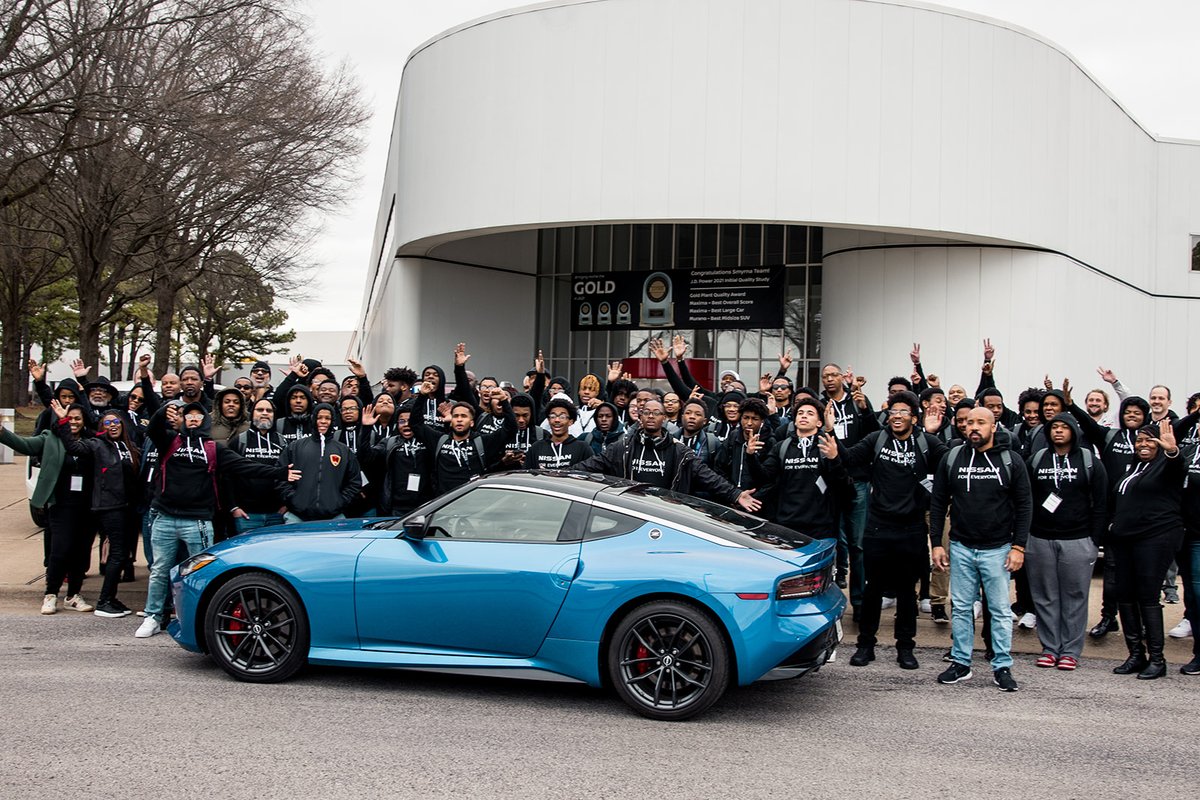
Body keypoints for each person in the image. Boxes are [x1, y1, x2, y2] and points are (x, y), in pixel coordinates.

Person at [135, 401, 294, 638]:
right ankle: (153, 616)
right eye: (189, 415)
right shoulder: (170, 440)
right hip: (165, 517)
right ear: (182, 419)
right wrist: (162, 411)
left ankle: (194, 617)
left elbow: (245, 466)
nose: (193, 419)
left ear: (206, 421)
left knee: (198, 572)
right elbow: (153, 429)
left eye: (199, 416)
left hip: (197, 520)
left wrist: (280, 473)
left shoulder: (213, 448)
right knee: (160, 570)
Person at [829, 390, 945, 668]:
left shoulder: (925, 442)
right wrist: (833, 436)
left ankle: (905, 647)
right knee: (873, 590)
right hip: (878, 528)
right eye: (893, 411)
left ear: (914, 418)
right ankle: (865, 645)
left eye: (903, 412)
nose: (897, 416)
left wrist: (933, 434)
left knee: (907, 592)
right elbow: (850, 458)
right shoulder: (876, 439)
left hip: (912, 530)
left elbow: (950, 461)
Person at [930, 408, 1032, 692]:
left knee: (999, 611)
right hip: (961, 547)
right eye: (968, 422)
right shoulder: (952, 458)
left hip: (998, 549)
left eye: (980, 422)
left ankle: (1002, 666)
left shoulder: (1011, 460)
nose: (973, 427)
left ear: (993, 426)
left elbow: (1025, 506)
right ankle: (961, 663)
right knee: (961, 608)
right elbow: (938, 502)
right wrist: (937, 542)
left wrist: (1018, 547)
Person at [1024, 414, 1107, 671]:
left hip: (1078, 539)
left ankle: (1070, 651)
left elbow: (1102, 503)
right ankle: (1050, 648)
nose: (1058, 431)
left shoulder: (1089, 461)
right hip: (1040, 538)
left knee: (1075, 596)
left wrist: (1095, 539)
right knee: (1045, 596)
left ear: (1074, 431)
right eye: (1054, 428)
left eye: (1064, 427)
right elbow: (1025, 499)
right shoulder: (1037, 460)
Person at [577, 398, 762, 512]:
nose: (651, 416)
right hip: (629, 513)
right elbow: (590, 465)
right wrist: (552, 474)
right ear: (639, 417)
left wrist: (735, 495)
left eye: (656, 413)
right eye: (646, 412)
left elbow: (708, 476)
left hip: (665, 515)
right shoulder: (622, 447)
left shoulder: (679, 451)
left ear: (664, 418)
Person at [1107, 421, 1186, 679]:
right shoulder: (1133, 468)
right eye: (1139, 440)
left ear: (1159, 445)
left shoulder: (1166, 465)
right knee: (1125, 594)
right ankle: (1135, 655)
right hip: (1125, 540)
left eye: (1149, 441)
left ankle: (1158, 659)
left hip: (1156, 537)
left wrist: (1172, 450)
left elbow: (1177, 465)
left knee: (1147, 596)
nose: (1143, 444)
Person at [0, 405, 95, 615]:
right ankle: (51, 594)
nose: (74, 422)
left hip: (87, 507)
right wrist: (2, 432)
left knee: (81, 553)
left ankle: (73, 595)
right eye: (69, 418)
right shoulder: (50, 438)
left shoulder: (92, 441)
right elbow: (24, 445)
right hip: (61, 505)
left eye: (78, 418)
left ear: (84, 420)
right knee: (59, 551)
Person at [51, 403, 142, 619]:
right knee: (117, 554)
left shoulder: (130, 447)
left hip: (128, 508)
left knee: (123, 555)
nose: (112, 426)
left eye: (116, 422)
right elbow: (73, 447)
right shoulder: (97, 444)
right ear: (101, 427)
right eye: (107, 422)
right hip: (110, 506)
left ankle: (111, 597)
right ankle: (104, 601)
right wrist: (64, 422)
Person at [748, 396, 852, 540]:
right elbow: (764, 478)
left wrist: (834, 459)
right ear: (795, 420)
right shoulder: (781, 447)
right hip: (786, 523)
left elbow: (845, 488)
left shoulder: (827, 446)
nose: (804, 416)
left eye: (810, 413)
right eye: (800, 413)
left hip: (821, 526)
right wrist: (751, 457)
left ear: (819, 422)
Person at [408, 377, 517, 495]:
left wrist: (505, 401)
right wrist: (422, 396)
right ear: (451, 421)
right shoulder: (440, 440)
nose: (459, 420)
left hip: (472, 502)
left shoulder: (482, 442)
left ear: (472, 422)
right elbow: (415, 423)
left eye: (464, 416)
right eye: (456, 416)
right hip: (444, 502)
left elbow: (510, 429)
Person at [278, 404, 362, 523]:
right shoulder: (295, 447)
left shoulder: (343, 451)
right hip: (297, 516)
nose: (323, 421)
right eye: (319, 418)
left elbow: (354, 481)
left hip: (334, 517)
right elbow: (280, 474)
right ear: (313, 419)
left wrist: (340, 501)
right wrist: (293, 499)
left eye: (327, 418)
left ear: (332, 421)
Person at [225, 399, 288, 533]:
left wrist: (287, 505)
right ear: (252, 414)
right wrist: (233, 507)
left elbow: (290, 474)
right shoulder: (239, 441)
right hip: (247, 515)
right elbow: (227, 476)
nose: (264, 413)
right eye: (260, 410)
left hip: (276, 514)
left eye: (269, 411)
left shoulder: (283, 442)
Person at [524, 398, 592, 469]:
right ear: (548, 420)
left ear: (571, 421)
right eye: (553, 416)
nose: (557, 420)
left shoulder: (582, 448)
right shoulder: (536, 448)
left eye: (562, 417)